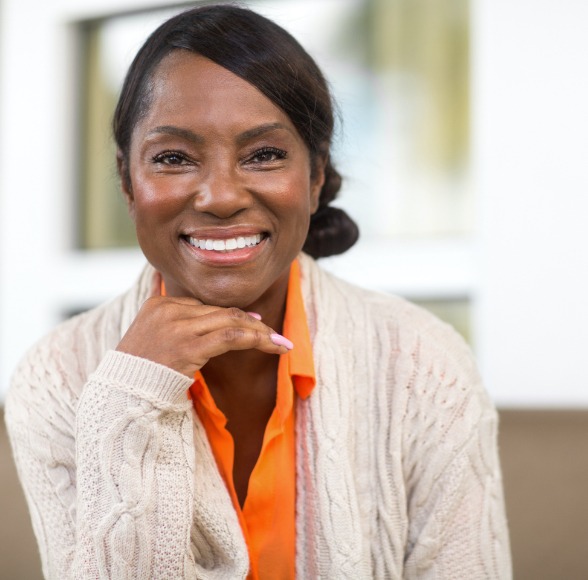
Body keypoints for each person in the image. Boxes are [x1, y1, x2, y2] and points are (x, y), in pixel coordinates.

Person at [5, 5, 511, 579]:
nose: (220, 196)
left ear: (316, 176)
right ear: (127, 182)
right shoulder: (58, 376)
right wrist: (129, 399)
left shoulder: (424, 363)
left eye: (264, 154)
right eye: (173, 158)